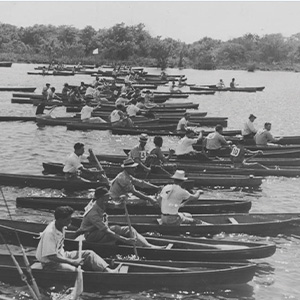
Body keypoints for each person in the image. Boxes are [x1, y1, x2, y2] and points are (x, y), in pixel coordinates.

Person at [36, 206, 119, 272]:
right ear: (60, 219)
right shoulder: (50, 233)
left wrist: (79, 233)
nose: (70, 222)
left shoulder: (60, 226)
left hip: (62, 255)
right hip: (51, 264)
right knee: (79, 272)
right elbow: (51, 256)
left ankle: (108, 271)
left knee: (89, 254)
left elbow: (68, 236)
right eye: (68, 220)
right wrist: (72, 262)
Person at [77, 187, 162, 248]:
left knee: (128, 229)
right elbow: (107, 231)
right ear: (102, 198)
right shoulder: (93, 213)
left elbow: (118, 206)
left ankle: (147, 245)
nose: (109, 198)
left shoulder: (101, 203)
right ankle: (146, 246)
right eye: (107, 197)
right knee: (118, 229)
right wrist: (125, 240)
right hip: (91, 235)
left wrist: (122, 201)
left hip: (98, 230)